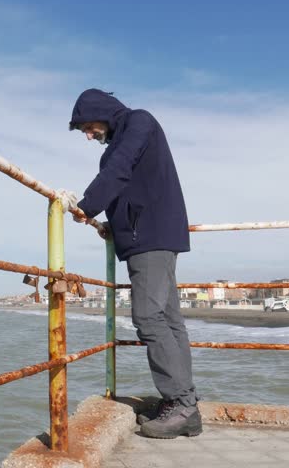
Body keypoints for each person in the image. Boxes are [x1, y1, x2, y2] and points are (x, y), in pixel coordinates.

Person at [57, 88, 201, 439]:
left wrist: (85, 207)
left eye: (87, 126)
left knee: (149, 317)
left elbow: (121, 170)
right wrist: (107, 224)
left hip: (151, 237)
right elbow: (124, 184)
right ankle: (185, 405)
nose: (88, 135)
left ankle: (181, 405)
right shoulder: (117, 147)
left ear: (99, 112)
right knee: (168, 319)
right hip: (146, 237)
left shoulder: (139, 122)